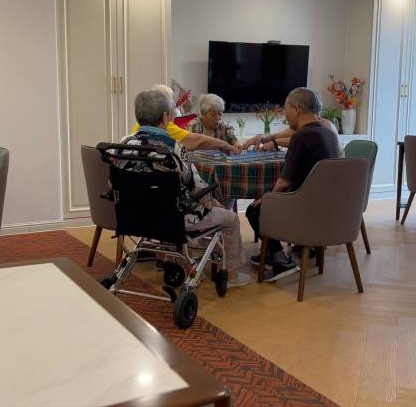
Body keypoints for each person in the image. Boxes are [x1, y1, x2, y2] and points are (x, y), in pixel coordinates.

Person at [119, 89, 250, 288]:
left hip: (134, 216)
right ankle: (231, 274)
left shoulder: (123, 145)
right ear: (165, 117)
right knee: (229, 217)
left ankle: (188, 262)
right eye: (173, 111)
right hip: (173, 218)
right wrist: (213, 203)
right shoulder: (174, 148)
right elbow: (197, 188)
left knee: (203, 210)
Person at [246, 88, 340, 281]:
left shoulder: (301, 137)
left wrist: (267, 199)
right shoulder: (328, 132)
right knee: (267, 200)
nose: (284, 114)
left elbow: (284, 182)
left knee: (254, 210)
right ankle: (271, 255)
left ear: (296, 109)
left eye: (286, 109)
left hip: (305, 209)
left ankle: (281, 261)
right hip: (329, 207)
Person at [130, 84, 240, 154]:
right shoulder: (173, 145)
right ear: (165, 116)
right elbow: (197, 141)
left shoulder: (127, 141)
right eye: (173, 107)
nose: (175, 111)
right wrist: (226, 145)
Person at [242, 118, 342, 156]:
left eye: (287, 109)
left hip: (315, 190)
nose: (286, 115)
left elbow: (300, 139)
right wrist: (262, 138)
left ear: (296, 110)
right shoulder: (323, 124)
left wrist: (276, 143)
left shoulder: (317, 130)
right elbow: (278, 135)